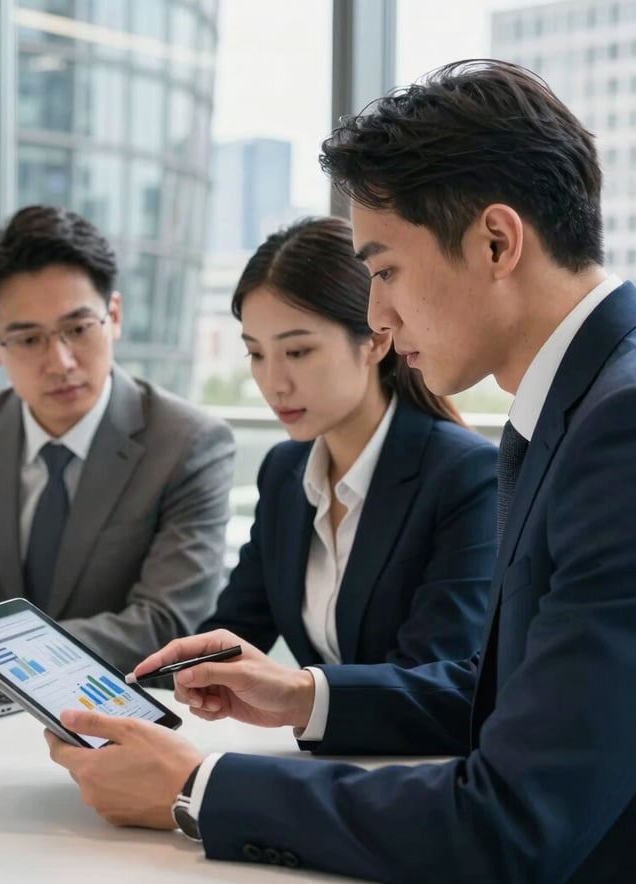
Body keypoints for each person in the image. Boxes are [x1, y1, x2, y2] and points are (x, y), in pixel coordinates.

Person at [47, 59, 636, 881]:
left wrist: (195, 787)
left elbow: (514, 823)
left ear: (497, 241)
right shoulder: (576, 408)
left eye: (386, 269)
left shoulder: (618, 429)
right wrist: (306, 696)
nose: (378, 315)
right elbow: (516, 696)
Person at [0, 205, 235, 673]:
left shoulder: (188, 443)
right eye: (28, 339)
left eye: (78, 329)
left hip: (122, 711)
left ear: (114, 315)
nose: (60, 361)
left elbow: (166, 623)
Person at [201, 216, 496, 672]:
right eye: (256, 354)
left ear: (377, 342)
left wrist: (299, 700)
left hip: (426, 745)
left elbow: (433, 674)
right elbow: (234, 634)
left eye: (297, 352)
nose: (273, 383)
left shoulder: (468, 477)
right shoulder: (285, 470)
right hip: (318, 743)